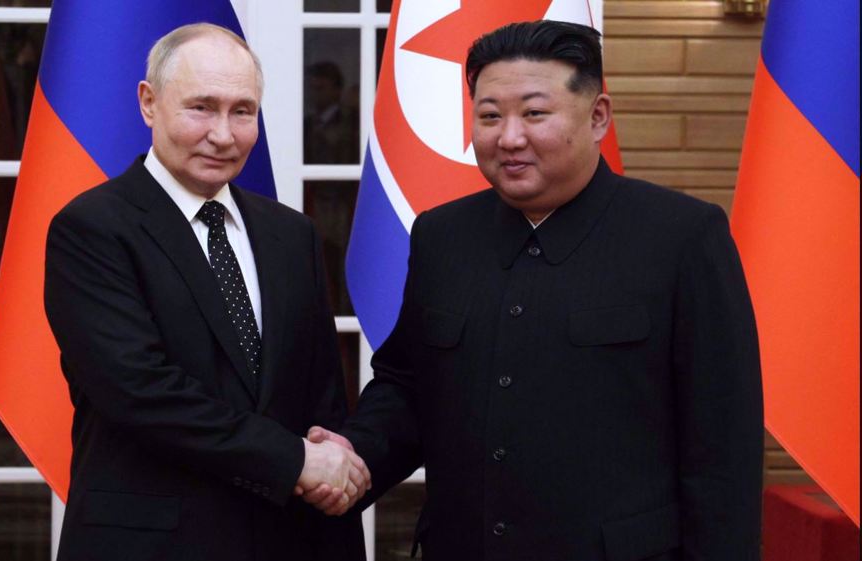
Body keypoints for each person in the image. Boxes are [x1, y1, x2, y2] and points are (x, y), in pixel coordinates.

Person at [307, 20, 764, 560]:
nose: (509, 137)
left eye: (534, 113)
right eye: (490, 115)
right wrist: (353, 456)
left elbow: (722, 447)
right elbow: (408, 387)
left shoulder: (681, 237)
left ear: (597, 117)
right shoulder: (441, 235)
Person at [43, 23, 367, 561]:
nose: (224, 134)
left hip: (286, 539)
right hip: (151, 545)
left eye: (242, 111)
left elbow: (321, 395)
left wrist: (332, 470)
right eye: (201, 107)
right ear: (149, 103)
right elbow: (140, 392)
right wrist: (294, 461)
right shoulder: (92, 229)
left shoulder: (292, 234)